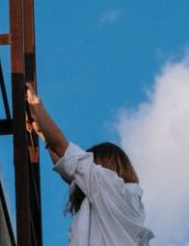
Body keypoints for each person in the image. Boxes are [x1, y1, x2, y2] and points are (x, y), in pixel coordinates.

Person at [25, 84, 154, 246]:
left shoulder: (109, 185)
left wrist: (36, 105)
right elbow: (68, 167)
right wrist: (43, 134)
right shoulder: (121, 202)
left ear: (104, 166)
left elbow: (68, 155)